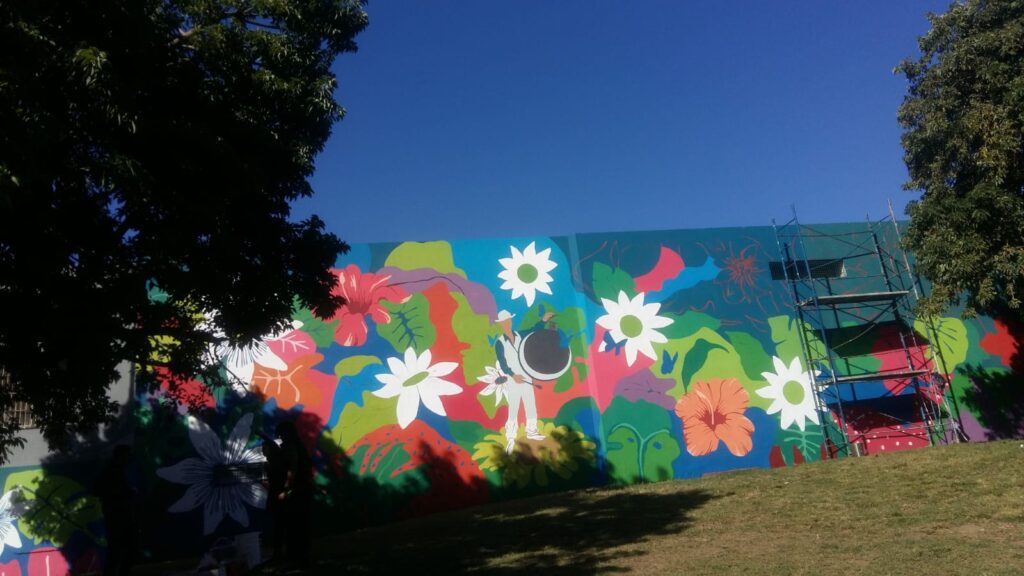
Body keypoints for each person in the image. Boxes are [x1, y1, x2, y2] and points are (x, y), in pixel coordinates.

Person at [494, 309, 556, 454]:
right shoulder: (500, 343)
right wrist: (512, 374)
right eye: (504, 322)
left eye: (508, 320)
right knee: (514, 407)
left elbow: (534, 330)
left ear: (511, 321)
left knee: (530, 403)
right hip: (513, 379)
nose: (507, 324)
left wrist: (544, 320)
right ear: (501, 324)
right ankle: (510, 437)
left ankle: (532, 431)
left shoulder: (520, 335)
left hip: (526, 376)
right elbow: (502, 364)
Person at [276, 421, 313, 569]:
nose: (281, 438)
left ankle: (297, 555)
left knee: (295, 525)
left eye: (282, 435)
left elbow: (292, 470)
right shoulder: (298, 445)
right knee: (300, 525)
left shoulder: (292, 447)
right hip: (303, 491)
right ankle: (301, 555)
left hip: (298, 492)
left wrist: (286, 490)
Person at [96, 444, 137, 576]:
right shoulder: (113, 471)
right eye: (127, 455)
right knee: (121, 549)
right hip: (117, 516)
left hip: (116, 515)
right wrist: (127, 493)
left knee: (119, 549)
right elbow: (107, 491)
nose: (128, 458)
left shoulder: (115, 470)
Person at [260, 436, 287, 563]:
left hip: (279, 497)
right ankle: (278, 552)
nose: (262, 451)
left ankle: (280, 552)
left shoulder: (277, 461)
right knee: (278, 526)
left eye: (264, 448)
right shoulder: (269, 463)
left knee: (280, 526)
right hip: (275, 497)